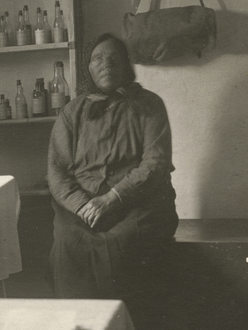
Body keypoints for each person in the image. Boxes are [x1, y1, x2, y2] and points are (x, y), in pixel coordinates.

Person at [47, 33, 178, 299]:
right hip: (82, 208)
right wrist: (82, 206)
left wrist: (112, 198)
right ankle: (82, 322)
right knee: (69, 244)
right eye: (97, 58)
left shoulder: (149, 105)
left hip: (137, 204)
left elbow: (155, 163)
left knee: (124, 246)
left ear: (126, 65)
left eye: (114, 58)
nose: (106, 63)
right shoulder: (72, 112)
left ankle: (126, 322)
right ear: (88, 68)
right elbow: (57, 172)